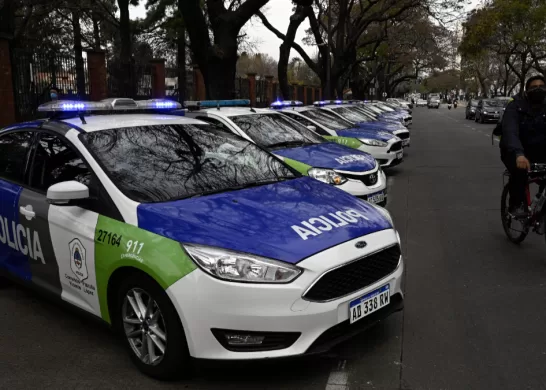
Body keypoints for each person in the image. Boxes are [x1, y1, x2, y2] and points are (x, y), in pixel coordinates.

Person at [500, 75, 546, 217]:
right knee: (520, 172)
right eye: (534, 87)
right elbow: (510, 131)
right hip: (515, 150)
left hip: (540, 150)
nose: (538, 89)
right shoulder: (515, 106)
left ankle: (541, 200)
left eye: (541, 87)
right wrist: (519, 154)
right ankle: (516, 204)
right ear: (526, 91)